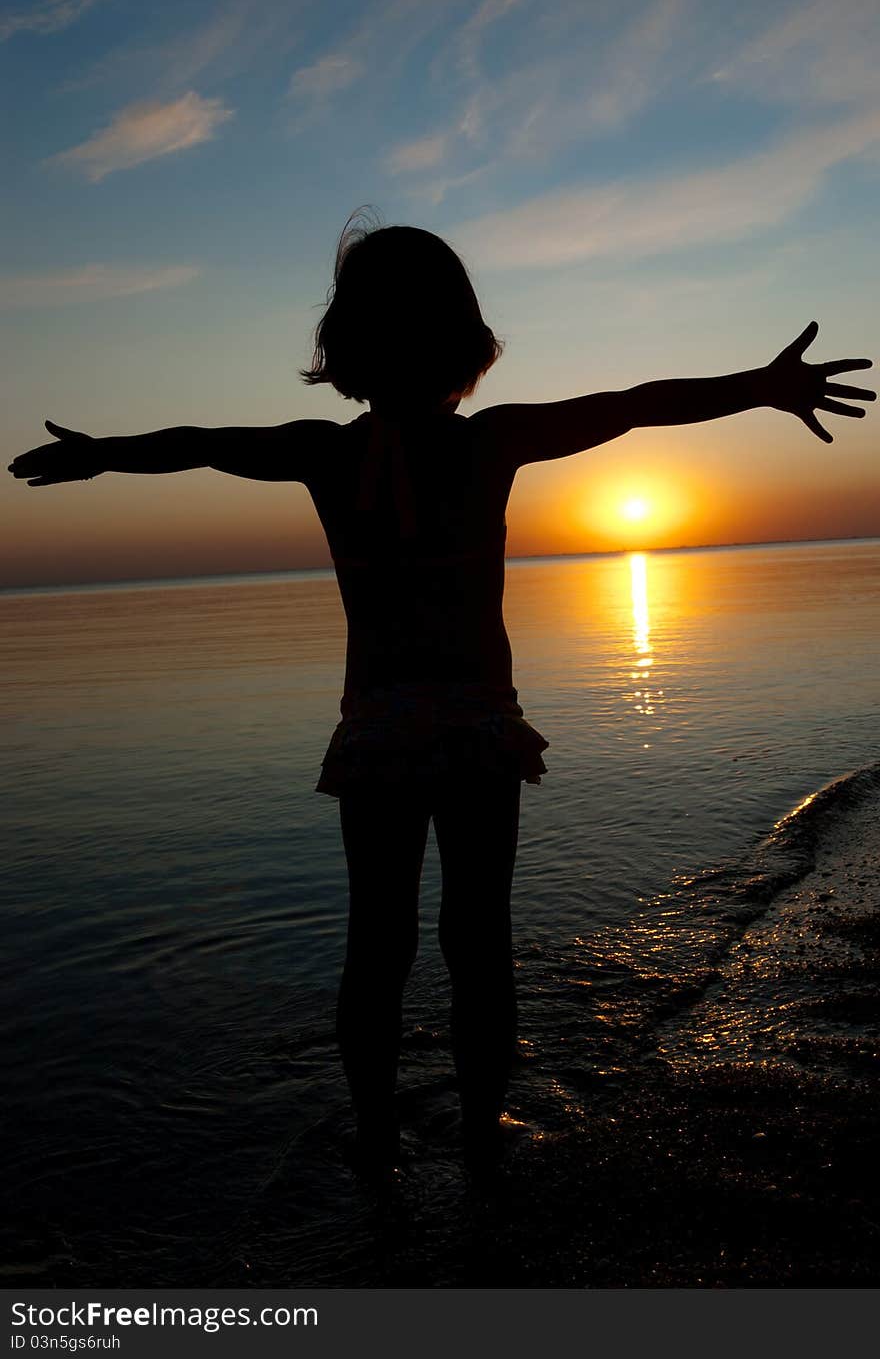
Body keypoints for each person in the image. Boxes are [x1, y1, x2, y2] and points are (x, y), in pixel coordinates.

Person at [9, 219, 874, 1176]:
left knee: (375, 942)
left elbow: (201, 444)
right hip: (473, 726)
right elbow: (634, 405)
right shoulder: (492, 440)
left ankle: (376, 1138)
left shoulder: (323, 450)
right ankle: (478, 1133)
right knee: (478, 934)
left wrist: (102, 453)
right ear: (466, 343)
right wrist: (761, 386)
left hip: (379, 729)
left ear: (343, 348)